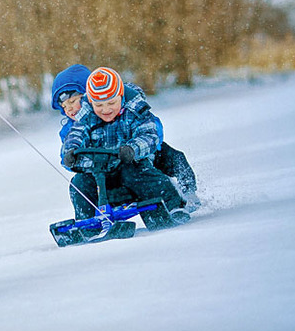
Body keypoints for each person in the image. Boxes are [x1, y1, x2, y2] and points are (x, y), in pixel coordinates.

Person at [51, 65, 200, 220]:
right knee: (79, 183)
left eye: (111, 103)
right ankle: (87, 222)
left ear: (121, 96)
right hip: (103, 171)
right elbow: (75, 136)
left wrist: (132, 149)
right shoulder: (85, 118)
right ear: (91, 102)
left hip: (132, 160)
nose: (106, 109)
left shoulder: (133, 111)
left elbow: (150, 134)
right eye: (99, 105)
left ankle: (174, 203)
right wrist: (71, 153)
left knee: (144, 169)